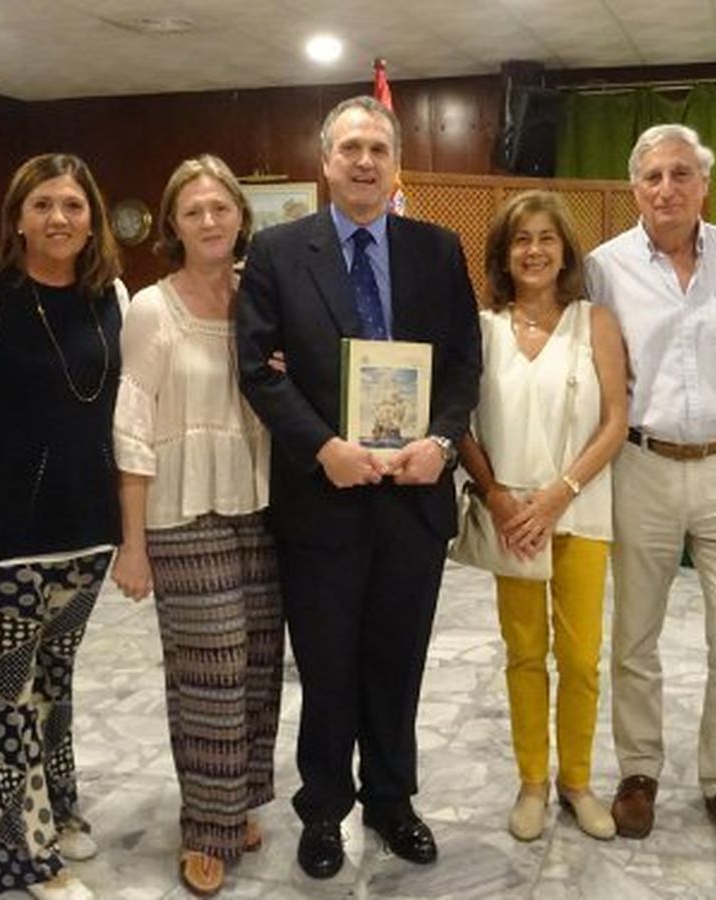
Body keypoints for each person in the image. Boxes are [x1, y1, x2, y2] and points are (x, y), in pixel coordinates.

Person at [236, 95, 481, 879]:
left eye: (377, 148)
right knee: (328, 663)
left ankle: (392, 800)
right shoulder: (277, 252)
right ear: (325, 163)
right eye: (350, 149)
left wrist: (442, 443)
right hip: (323, 498)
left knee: (396, 660)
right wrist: (322, 447)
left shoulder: (437, 251)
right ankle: (324, 810)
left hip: (413, 498)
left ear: (397, 163)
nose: (364, 161)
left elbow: (465, 367)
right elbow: (257, 370)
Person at [0, 153, 124, 900]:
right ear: (17, 217)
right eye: (43, 204)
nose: (59, 218)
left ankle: (61, 804)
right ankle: (21, 856)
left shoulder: (111, 294)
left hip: (89, 532)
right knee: (10, 696)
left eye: (73, 206)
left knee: (57, 682)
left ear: (92, 219)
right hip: (4, 541)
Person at [584, 123, 716, 857]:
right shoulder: (605, 268)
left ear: (705, 185)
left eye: (681, 174)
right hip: (644, 466)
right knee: (635, 636)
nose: (667, 188)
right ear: (634, 188)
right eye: (653, 176)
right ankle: (638, 772)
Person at [110, 154, 282, 897]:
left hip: (259, 505)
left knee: (257, 668)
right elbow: (132, 424)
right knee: (210, 669)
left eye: (220, 208)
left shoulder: (258, 300)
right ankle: (207, 831)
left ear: (240, 215)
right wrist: (133, 542)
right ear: (172, 226)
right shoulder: (154, 307)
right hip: (184, 512)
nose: (209, 221)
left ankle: (234, 801)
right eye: (193, 212)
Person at [457, 190, 628, 842]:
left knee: (582, 659)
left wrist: (561, 491)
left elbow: (616, 421)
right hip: (513, 519)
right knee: (525, 653)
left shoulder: (596, 322)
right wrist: (499, 495)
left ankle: (577, 781)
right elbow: (463, 424)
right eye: (520, 240)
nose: (533, 250)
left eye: (545, 238)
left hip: (580, 510)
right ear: (503, 254)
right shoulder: (483, 328)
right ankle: (532, 779)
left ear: (565, 251)